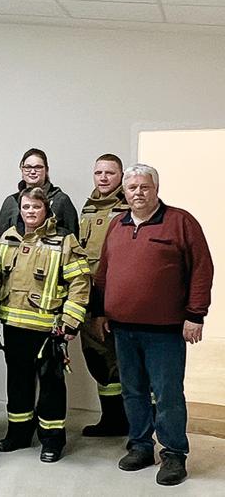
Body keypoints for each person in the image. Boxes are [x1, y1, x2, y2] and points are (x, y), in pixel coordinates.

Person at [96, 164, 213, 486]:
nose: (138, 193)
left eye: (144, 187)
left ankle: (174, 453)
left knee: (167, 394)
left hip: (165, 330)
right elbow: (105, 271)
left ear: (155, 188)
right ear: (125, 191)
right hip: (122, 327)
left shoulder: (180, 222)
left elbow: (202, 270)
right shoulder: (118, 224)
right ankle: (140, 446)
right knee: (132, 392)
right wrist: (102, 311)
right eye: (132, 188)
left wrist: (195, 314)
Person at [0, 187, 91, 463]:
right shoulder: (7, 239)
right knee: (18, 383)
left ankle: (52, 441)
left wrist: (70, 321)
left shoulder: (64, 241)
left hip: (49, 329)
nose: (30, 212)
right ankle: (19, 434)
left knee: (51, 386)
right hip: (14, 326)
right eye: (26, 207)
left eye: (36, 207)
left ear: (46, 210)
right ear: (19, 209)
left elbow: (80, 284)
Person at [77, 154, 130, 437]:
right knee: (100, 361)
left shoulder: (129, 208)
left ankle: (140, 428)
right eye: (99, 172)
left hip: (114, 300)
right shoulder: (88, 208)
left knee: (126, 364)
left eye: (110, 172)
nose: (104, 177)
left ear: (120, 175)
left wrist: (108, 307)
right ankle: (112, 421)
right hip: (88, 297)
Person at [0, 148, 78, 235]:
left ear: (46, 170)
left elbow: (72, 239)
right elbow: (4, 240)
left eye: (38, 167)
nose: (32, 172)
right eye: (28, 167)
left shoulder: (61, 201)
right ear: (22, 170)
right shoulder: (11, 202)